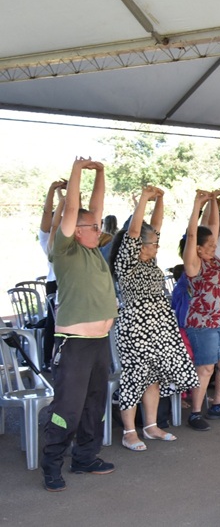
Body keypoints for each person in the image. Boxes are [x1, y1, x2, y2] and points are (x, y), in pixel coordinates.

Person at [41, 157, 118, 492]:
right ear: (76, 230)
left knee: (94, 404)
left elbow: (93, 207)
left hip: (100, 341)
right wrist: (76, 172)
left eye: (98, 226)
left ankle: (86, 458)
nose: (98, 230)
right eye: (92, 226)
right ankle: (52, 466)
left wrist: (100, 172)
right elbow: (74, 209)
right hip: (75, 343)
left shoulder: (92, 251)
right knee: (67, 408)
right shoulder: (64, 250)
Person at [110, 186, 199, 450]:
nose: (156, 246)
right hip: (136, 328)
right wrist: (143, 200)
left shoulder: (150, 261)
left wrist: (161, 199)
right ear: (137, 245)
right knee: (134, 377)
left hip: (159, 325)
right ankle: (129, 431)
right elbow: (135, 231)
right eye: (152, 244)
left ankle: (150, 426)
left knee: (155, 376)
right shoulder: (126, 261)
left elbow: (155, 225)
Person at [182, 190, 220, 430]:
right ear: (197, 247)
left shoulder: (214, 258)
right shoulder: (194, 263)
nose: (214, 246)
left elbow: (214, 225)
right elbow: (192, 233)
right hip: (203, 324)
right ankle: (195, 413)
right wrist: (197, 205)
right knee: (205, 367)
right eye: (210, 244)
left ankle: (216, 405)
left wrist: (214, 201)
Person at [39, 179, 66, 372]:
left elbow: (70, 209)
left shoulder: (65, 238)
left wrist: (62, 194)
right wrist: (52, 190)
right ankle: (49, 358)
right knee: (53, 323)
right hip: (55, 282)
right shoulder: (46, 236)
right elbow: (48, 213)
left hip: (68, 280)